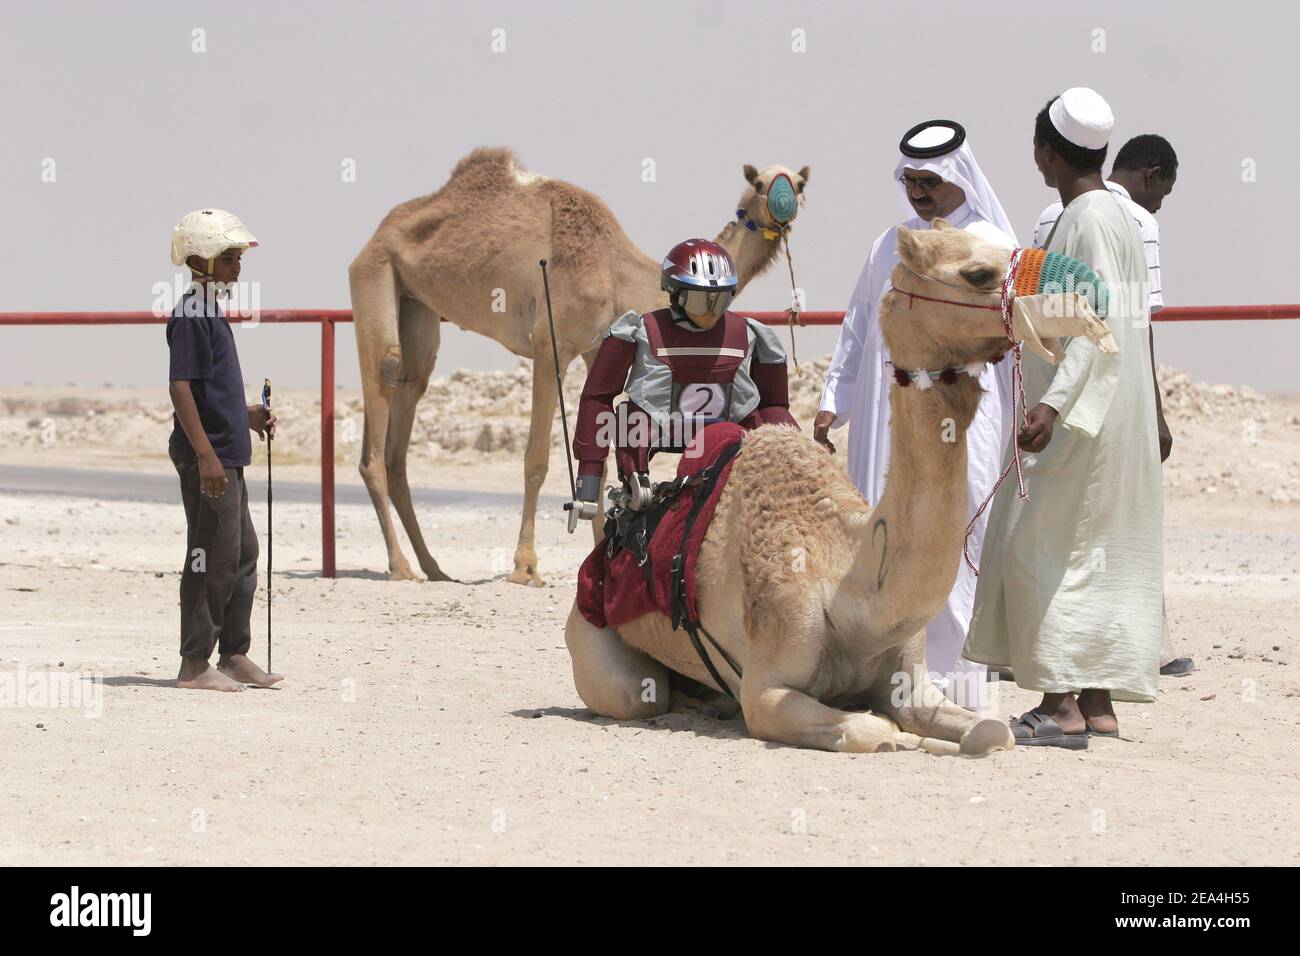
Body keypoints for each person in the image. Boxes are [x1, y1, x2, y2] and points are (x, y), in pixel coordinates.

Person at [964, 88, 1164, 747]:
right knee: (1090, 555)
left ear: (1046, 152)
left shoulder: (1087, 219)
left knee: (1037, 547)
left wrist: (1051, 404)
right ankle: (1097, 702)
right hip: (1110, 414)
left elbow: (1091, 323)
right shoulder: (1118, 216)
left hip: (1080, 418)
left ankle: (1059, 706)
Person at [813, 121, 1017, 710]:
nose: (919, 192)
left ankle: (956, 681)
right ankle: (884, 675)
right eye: (911, 180)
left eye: (930, 180)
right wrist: (834, 399)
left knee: (952, 533)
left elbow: (1014, 336)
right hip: (889, 413)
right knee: (887, 532)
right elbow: (858, 322)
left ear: (958, 177)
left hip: (963, 412)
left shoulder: (988, 246)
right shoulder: (890, 244)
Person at [1033, 134, 1194, 677]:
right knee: (1115, 528)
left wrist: (1045, 396)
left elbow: (1046, 313)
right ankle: (1135, 654)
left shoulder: (1050, 215)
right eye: (1163, 192)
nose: (1160, 204)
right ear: (1149, 176)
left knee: (1064, 527)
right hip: (1109, 395)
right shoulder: (1137, 222)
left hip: (1057, 389)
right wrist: (1155, 412)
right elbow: (1134, 323)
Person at [570, 238, 796, 518]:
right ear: (675, 294)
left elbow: (774, 407)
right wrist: (588, 482)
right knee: (630, 417)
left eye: (719, 300)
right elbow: (598, 398)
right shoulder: (638, 330)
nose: (711, 311)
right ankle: (636, 484)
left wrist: (803, 460)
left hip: (731, 433)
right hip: (654, 430)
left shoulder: (752, 334)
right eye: (701, 300)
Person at [166, 208, 282, 692]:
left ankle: (234, 654)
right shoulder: (191, 313)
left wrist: (245, 415)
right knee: (209, 555)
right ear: (199, 260)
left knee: (242, 552)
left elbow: (210, 390)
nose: (237, 268)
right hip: (209, 458)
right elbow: (180, 387)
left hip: (227, 453)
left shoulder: (211, 311)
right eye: (229, 259)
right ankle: (194, 663)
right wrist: (206, 456)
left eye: (238, 259)